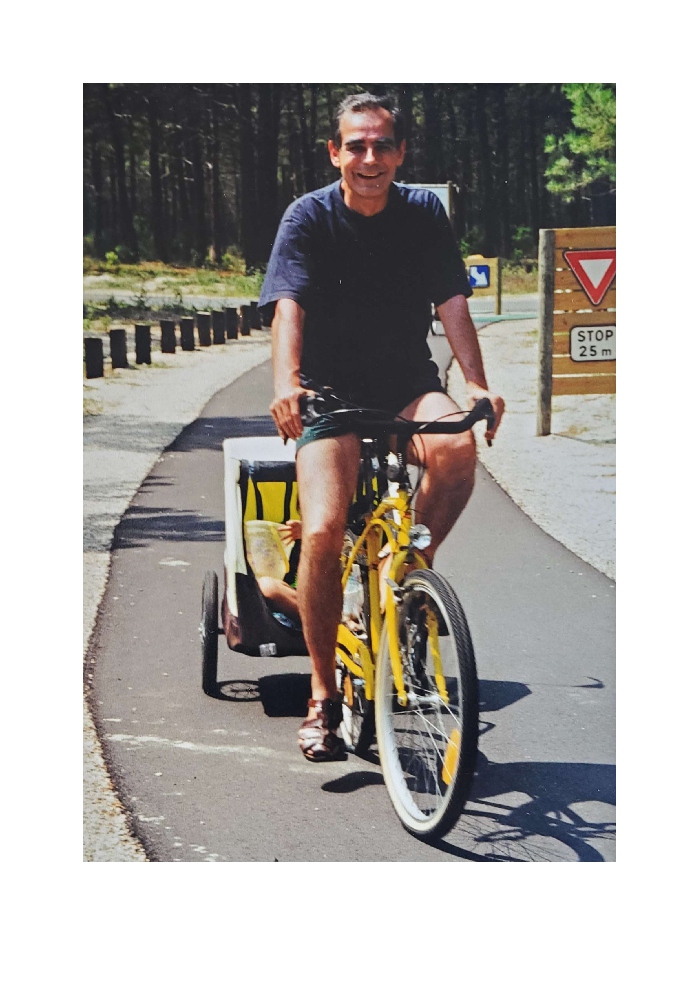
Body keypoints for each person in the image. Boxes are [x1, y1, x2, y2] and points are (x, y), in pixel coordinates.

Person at [259, 92, 505, 762]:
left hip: (404, 385)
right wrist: (287, 385)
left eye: (382, 146)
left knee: (456, 446)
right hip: (328, 393)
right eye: (356, 146)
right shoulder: (308, 216)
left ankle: (408, 577)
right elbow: (288, 307)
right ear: (334, 152)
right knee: (321, 530)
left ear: (399, 154)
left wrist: (474, 383)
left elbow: (451, 302)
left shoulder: (422, 212)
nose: (369, 158)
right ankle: (322, 696)